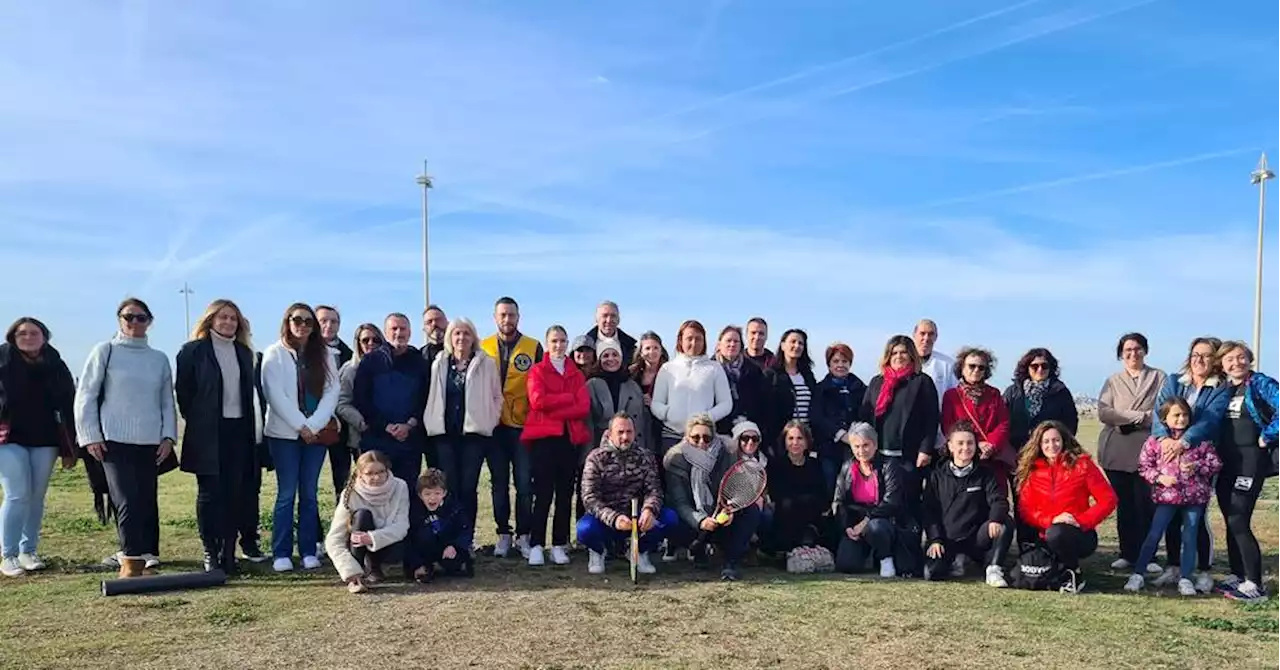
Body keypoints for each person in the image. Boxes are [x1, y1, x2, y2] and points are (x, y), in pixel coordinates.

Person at [75, 298, 177, 578]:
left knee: (146, 497)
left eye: (141, 317)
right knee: (125, 497)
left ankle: (148, 552)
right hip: (112, 439)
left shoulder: (158, 359)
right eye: (128, 317)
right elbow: (86, 395)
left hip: (149, 439)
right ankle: (131, 557)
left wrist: (168, 436)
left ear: (149, 321)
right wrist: (89, 436)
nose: (134, 322)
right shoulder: (104, 351)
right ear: (119, 319)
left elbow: (167, 401)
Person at [174, 299, 257, 574]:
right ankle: (210, 551)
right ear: (210, 320)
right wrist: (200, 421)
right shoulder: (192, 352)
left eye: (233, 318)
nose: (228, 322)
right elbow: (184, 394)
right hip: (208, 433)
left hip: (239, 431)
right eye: (223, 317)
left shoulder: (244, 354)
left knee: (235, 494)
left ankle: (229, 552)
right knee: (210, 495)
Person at [260, 303, 340, 573]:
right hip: (285, 435)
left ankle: (308, 549)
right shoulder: (274, 354)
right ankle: (281, 551)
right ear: (287, 321)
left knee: (309, 493)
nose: (302, 325)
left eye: (308, 321)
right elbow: (274, 395)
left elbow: (332, 392)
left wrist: (314, 425)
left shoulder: (325, 354)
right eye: (297, 320)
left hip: (316, 435)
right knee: (286, 493)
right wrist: (300, 425)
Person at [1148, 337, 1230, 591]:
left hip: (1198, 459)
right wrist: (1163, 439)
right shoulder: (1174, 382)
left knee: (1196, 517)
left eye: (1206, 355)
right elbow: (1158, 412)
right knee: (1171, 516)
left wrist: (1183, 442)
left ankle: (1203, 570)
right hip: (1169, 457)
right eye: (1196, 354)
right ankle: (1174, 566)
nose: (1200, 360)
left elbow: (1211, 421)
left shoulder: (1220, 389)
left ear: (1215, 360)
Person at [0, 317, 76, 578]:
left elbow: (68, 404)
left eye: (34, 333)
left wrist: (70, 447)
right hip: (8, 439)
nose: (28, 337)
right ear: (13, 336)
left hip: (45, 439)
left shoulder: (55, 364)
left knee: (36, 496)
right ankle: (8, 555)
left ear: (44, 337)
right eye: (22, 333)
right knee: (17, 494)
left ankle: (28, 551)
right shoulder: (2, 359)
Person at [1124, 398, 1220, 596]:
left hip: (1195, 498)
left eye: (1185, 415)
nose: (1181, 419)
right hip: (1167, 497)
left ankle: (1185, 578)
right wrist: (1160, 478)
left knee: (1190, 535)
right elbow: (1144, 466)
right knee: (1154, 534)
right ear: (1164, 419)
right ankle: (1138, 574)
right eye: (1176, 415)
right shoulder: (1155, 442)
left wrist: (1198, 467)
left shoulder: (1199, 440)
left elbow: (1215, 463)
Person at [423, 317, 501, 553]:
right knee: (449, 488)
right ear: (450, 337)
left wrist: (491, 419)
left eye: (466, 334)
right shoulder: (440, 362)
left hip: (473, 436)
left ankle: (466, 539)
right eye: (457, 333)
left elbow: (497, 397)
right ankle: (448, 538)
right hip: (445, 434)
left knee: (468, 488)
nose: (461, 338)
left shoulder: (485, 362)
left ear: (473, 338)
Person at [1015, 420, 1117, 594]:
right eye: (1046, 442)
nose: (1051, 445)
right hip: (1046, 534)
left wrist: (1080, 521)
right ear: (1038, 445)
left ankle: (1074, 574)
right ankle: (1058, 573)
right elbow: (1026, 510)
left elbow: (1108, 499)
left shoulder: (1082, 465)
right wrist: (1051, 520)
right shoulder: (1033, 471)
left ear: (1063, 441)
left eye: (1056, 440)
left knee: (1057, 533)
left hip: (1079, 533)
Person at [1211, 341, 1276, 602]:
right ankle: (1238, 574)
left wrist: (1268, 436)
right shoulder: (1224, 388)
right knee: (1229, 518)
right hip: (1227, 462)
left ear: (1249, 359)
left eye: (1241, 357)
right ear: (1222, 364)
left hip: (1251, 461)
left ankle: (1255, 583)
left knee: (1239, 519)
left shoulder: (1260, 383)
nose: (1236, 363)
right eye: (1229, 359)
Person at [1096, 332, 1166, 575]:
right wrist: (1139, 416)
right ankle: (1127, 553)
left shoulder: (1159, 377)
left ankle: (1150, 554)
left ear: (1145, 351)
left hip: (1148, 450)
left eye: (1137, 349)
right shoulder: (1113, 380)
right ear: (1120, 354)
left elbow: (1163, 409)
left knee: (1147, 504)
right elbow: (1105, 412)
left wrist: (1128, 416)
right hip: (1117, 449)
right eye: (1127, 350)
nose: (1133, 354)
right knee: (1124, 504)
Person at [479, 296, 543, 559]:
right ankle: (503, 534)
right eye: (503, 315)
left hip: (522, 426)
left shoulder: (533, 346)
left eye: (512, 315)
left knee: (525, 484)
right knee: (499, 483)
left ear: (519, 317)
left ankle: (524, 536)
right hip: (494, 426)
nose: (507, 320)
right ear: (495, 317)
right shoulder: (482, 346)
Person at [522, 325, 591, 566]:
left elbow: (583, 406)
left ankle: (559, 543)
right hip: (543, 440)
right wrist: (566, 398)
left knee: (565, 494)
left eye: (562, 341)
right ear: (547, 343)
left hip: (568, 439)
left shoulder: (575, 373)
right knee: (542, 494)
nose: (559, 345)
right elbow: (538, 401)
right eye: (554, 341)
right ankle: (536, 545)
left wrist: (559, 404)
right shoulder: (538, 370)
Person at [664, 413, 762, 581]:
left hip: (720, 514)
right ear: (687, 437)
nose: (702, 442)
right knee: (671, 516)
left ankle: (730, 563)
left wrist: (731, 509)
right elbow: (680, 502)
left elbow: (735, 488)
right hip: (691, 518)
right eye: (696, 438)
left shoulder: (728, 452)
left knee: (752, 511)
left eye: (707, 438)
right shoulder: (675, 458)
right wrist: (701, 520)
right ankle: (697, 548)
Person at [577, 413, 675, 575]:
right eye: (620, 432)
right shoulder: (595, 458)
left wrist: (649, 510)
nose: (625, 437)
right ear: (609, 434)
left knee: (669, 519)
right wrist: (614, 518)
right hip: (607, 519)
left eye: (629, 432)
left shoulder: (645, 456)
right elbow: (590, 498)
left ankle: (639, 551)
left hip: (637, 519)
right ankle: (598, 551)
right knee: (584, 530)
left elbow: (654, 489)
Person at [922, 422, 1012, 587]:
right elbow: (929, 510)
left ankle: (994, 568)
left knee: (1005, 522)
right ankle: (956, 560)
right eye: (960, 443)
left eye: (970, 443)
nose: (965, 447)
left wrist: (995, 519)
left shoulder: (985, 473)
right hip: (947, 540)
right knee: (931, 573)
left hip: (976, 539)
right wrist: (935, 539)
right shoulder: (936, 475)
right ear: (950, 446)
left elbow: (998, 500)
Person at [352, 313, 430, 488]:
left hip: (409, 442)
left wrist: (409, 425)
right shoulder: (370, 361)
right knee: (374, 493)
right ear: (386, 333)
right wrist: (385, 426)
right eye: (394, 328)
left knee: (406, 492)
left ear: (410, 332)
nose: (398, 333)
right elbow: (361, 399)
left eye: (403, 329)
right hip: (377, 440)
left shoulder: (420, 362)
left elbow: (425, 398)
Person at [859, 335, 940, 487]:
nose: (898, 356)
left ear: (911, 355)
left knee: (907, 501)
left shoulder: (922, 382)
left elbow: (932, 419)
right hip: (879, 454)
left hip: (909, 456)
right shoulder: (877, 382)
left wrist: (925, 450)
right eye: (894, 353)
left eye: (903, 352)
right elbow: (865, 415)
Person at [325, 451, 410, 594]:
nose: (376, 477)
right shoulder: (350, 493)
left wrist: (372, 538)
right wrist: (349, 570)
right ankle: (357, 576)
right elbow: (334, 539)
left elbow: (402, 525)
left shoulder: (400, 486)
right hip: (358, 546)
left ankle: (375, 566)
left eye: (381, 472)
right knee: (362, 516)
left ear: (388, 469)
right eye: (369, 473)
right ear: (360, 474)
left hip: (389, 545)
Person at [586, 339, 649, 521]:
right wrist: (588, 452)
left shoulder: (632, 385)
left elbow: (640, 421)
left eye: (614, 355)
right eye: (605, 355)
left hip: (630, 449)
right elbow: (588, 420)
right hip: (599, 449)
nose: (610, 359)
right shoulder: (592, 385)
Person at [832, 423, 903, 577]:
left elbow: (892, 501)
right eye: (856, 446)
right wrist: (847, 527)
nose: (861, 450)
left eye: (866, 445)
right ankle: (868, 555)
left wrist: (867, 520)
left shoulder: (889, 465)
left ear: (875, 445)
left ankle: (885, 558)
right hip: (856, 522)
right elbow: (839, 501)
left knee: (875, 527)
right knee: (846, 564)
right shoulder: (846, 467)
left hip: (882, 519)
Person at [651, 320, 733, 452]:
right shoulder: (668, 368)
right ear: (681, 340)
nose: (694, 343)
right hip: (672, 436)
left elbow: (726, 403)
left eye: (698, 339)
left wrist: (706, 418)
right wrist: (667, 413)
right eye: (689, 338)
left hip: (703, 438)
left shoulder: (714, 368)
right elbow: (656, 403)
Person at [940, 346, 1013, 492]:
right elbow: (948, 425)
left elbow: (1003, 422)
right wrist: (976, 443)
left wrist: (991, 444)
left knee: (996, 496)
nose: (976, 371)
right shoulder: (952, 395)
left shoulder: (994, 394)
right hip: (965, 455)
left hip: (992, 457)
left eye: (981, 368)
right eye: (971, 366)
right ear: (962, 368)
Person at [764, 420, 828, 555]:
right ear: (784, 441)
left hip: (812, 518)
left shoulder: (815, 464)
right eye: (791, 438)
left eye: (800, 438)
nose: (795, 443)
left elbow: (822, 495)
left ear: (807, 441)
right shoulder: (776, 465)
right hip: (785, 519)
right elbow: (778, 495)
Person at [814, 343, 867, 499]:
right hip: (829, 448)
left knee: (852, 489)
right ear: (829, 364)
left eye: (844, 362)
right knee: (830, 487)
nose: (840, 365)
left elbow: (865, 414)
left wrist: (856, 435)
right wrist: (840, 434)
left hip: (855, 449)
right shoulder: (820, 389)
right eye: (836, 361)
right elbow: (817, 417)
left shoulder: (860, 388)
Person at [764, 328, 827, 458]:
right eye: (793, 342)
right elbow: (767, 410)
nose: (797, 346)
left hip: (806, 437)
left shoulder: (807, 375)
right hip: (782, 439)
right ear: (783, 345)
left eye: (800, 343)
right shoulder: (771, 374)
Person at [1004, 348, 1078, 456]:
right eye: (1035, 366)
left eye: (1044, 366)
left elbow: (1071, 422)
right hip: (1017, 452)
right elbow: (1002, 419)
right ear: (1027, 368)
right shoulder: (1013, 392)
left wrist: (1059, 445)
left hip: (1048, 452)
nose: (1040, 370)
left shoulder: (1060, 391)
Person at [316, 306, 355, 504]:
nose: (328, 325)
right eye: (323, 320)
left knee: (342, 478)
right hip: (309, 425)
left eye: (334, 321)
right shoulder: (299, 351)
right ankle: (312, 531)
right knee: (308, 483)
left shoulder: (349, 354)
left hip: (340, 427)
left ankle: (344, 523)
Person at [409, 468, 474, 583]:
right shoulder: (415, 512)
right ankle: (424, 567)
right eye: (427, 494)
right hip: (424, 550)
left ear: (444, 493)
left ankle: (447, 566)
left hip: (447, 548)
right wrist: (417, 563)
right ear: (420, 495)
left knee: (455, 563)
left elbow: (465, 530)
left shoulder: (454, 508)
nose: (432, 498)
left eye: (437, 493)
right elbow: (410, 540)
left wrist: (455, 546)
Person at [335, 324, 384, 469]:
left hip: (388, 434)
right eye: (365, 340)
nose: (371, 344)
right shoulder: (350, 370)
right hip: (363, 436)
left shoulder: (388, 366)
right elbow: (342, 403)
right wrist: (363, 423)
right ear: (358, 343)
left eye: (375, 340)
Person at [713, 326, 768, 438]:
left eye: (736, 341)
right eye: (728, 340)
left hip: (746, 432)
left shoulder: (753, 370)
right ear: (719, 344)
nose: (732, 344)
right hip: (716, 430)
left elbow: (760, 404)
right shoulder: (709, 369)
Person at [629, 331, 669, 461]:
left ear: (661, 350)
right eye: (647, 348)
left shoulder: (670, 372)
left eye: (655, 348)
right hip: (638, 424)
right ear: (641, 352)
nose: (651, 351)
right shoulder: (632, 373)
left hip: (661, 425)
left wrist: (655, 403)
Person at [914, 319, 957, 403]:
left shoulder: (947, 364)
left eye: (930, 334)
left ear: (936, 337)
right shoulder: (903, 361)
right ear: (914, 334)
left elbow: (955, 396)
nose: (926, 338)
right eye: (922, 333)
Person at [585, 300, 637, 366]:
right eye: (605, 316)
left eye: (613, 316)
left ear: (618, 320)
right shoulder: (585, 345)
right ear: (596, 319)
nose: (609, 320)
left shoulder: (630, 346)